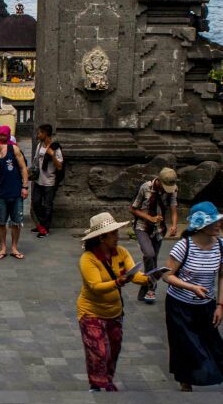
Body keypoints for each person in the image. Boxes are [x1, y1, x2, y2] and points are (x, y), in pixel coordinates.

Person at [76, 212, 150, 392]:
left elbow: (134, 275)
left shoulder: (121, 253)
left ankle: (107, 380)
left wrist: (150, 278)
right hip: (91, 311)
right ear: (102, 237)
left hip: (115, 311)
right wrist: (118, 282)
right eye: (114, 234)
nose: (117, 237)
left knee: (113, 350)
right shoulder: (88, 259)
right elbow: (95, 286)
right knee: (98, 350)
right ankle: (97, 383)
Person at [164, 201, 223, 391]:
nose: (218, 224)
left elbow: (222, 275)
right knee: (185, 344)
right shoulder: (184, 246)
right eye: (214, 222)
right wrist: (191, 287)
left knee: (210, 343)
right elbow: (167, 275)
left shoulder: (220, 246)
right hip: (179, 305)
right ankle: (186, 381)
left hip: (206, 304)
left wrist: (220, 305)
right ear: (202, 225)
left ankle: (203, 375)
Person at [130, 167, 178, 303]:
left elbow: (173, 210)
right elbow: (133, 209)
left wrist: (174, 225)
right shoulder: (146, 187)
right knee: (149, 254)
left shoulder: (173, 190)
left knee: (153, 259)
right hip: (142, 226)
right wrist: (149, 218)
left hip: (158, 229)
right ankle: (151, 287)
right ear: (159, 181)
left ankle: (147, 288)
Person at [0, 126, 29, 258]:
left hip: (16, 191)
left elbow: (23, 168)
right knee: (1, 223)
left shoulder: (13, 149)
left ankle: (15, 248)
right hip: (0, 193)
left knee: (16, 222)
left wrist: (25, 186)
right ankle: (3, 248)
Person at [31, 123, 64, 238]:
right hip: (39, 180)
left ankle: (45, 228)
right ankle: (42, 225)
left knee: (47, 205)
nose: (38, 135)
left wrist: (53, 155)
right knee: (35, 203)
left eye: (39, 132)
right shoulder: (40, 145)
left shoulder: (55, 147)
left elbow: (59, 166)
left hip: (50, 181)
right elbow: (36, 161)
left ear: (45, 133)